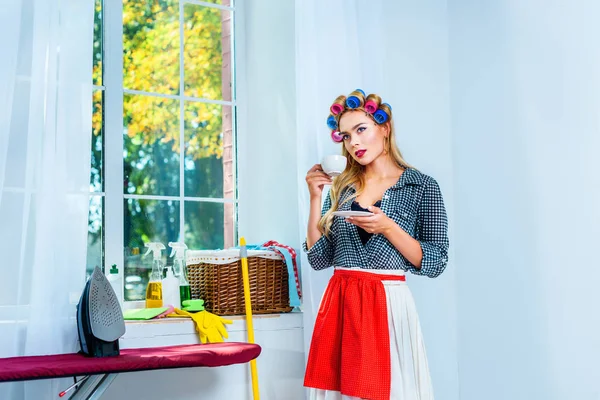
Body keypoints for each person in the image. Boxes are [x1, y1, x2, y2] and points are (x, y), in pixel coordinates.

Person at [303, 89, 449, 400]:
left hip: (388, 304)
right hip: (342, 300)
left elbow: (435, 262)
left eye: (361, 130)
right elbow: (319, 258)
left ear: (385, 128)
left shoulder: (421, 186)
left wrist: (389, 228)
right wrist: (315, 199)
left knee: (391, 390)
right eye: (345, 136)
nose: (353, 142)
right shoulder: (343, 187)